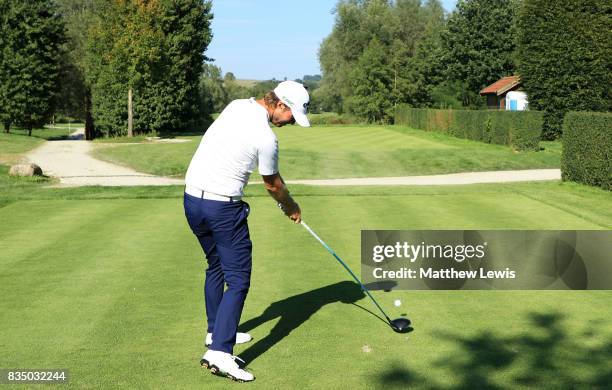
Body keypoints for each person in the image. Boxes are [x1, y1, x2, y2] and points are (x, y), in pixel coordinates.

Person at [183, 80, 310, 382]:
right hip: (222, 209)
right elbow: (272, 184)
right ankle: (219, 353)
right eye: (291, 114)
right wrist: (290, 206)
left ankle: (215, 332)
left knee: (215, 266)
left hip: (192, 200)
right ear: (280, 105)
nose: (291, 122)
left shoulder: (237, 105)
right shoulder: (267, 138)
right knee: (238, 280)